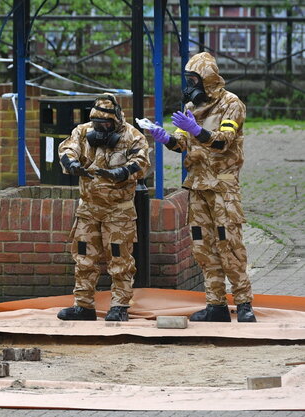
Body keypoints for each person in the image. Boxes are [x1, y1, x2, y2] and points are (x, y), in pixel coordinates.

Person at [149, 52, 256, 323]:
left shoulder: (232, 104)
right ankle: (216, 306)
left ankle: (243, 304)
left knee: (229, 244)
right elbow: (181, 143)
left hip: (222, 187)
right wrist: (164, 138)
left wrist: (197, 131)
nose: (189, 85)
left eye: (193, 79)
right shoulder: (190, 107)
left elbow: (223, 142)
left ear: (206, 79)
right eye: (187, 79)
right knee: (203, 246)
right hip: (197, 187)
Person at [57, 93, 150, 322]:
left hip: (118, 210)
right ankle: (83, 305)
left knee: (120, 260)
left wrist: (123, 172)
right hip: (88, 208)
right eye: (98, 124)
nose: (102, 129)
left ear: (116, 121)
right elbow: (66, 150)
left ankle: (119, 305)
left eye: (106, 124)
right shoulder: (82, 132)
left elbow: (142, 163)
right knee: (83, 257)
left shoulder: (132, 136)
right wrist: (73, 164)